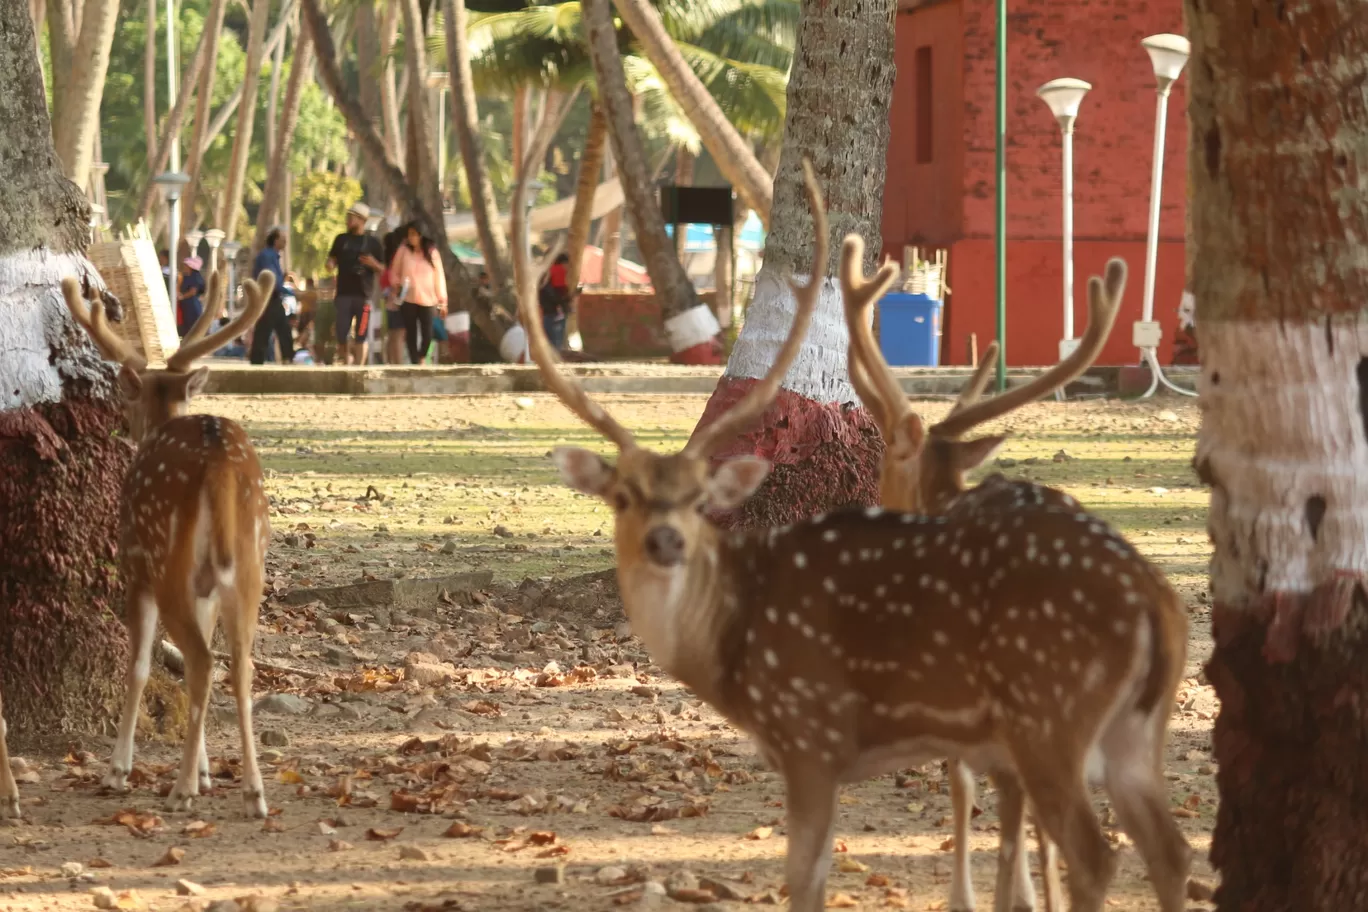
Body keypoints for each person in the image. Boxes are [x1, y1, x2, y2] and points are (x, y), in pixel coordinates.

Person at [326, 202, 385, 365]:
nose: (348, 220)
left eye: (352, 217)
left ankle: (358, 368)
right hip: (343, 294)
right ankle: (346, 363)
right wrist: (330, 264)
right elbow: (331, 259)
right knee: (341, 332)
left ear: (362, 220)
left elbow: (383, 269)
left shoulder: (373, 243)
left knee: (362, 332)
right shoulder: (341, 240)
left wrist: (373, 264)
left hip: (364, 296)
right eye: (348, 217)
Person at [388, 222, 447, 364]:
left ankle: (422, 356)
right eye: (409, 234)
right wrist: (397, 285)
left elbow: (439, 277)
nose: (411, 237)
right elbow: (394, 271)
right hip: (408, 298)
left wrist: (442, 301)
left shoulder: (432, 253)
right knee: (411, 332)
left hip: (428, 299)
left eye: (414, 234)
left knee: (428, 333)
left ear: (421, 235)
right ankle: (415, 361)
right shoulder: (403, 251)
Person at [249, 228, 296, 364]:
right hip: (268, 298)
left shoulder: (273, 256)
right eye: (283, 239)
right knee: (266, 331)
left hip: (273, 298)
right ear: (275, 240)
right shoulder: (267, 256)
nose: (285, 242)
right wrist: (290, 292)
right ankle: (258, 362)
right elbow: (271, 279)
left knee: (281, 329)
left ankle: (286, 358)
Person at [379, 225, 408, 364]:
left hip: (389, 303)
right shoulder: (395, 266)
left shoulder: (387, 267)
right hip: (397, 302)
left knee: (393, 335)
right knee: (398, 335)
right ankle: (398, 364)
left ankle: (391, 362)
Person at [538, 252, 572, 350]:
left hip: (548, 311)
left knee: (551, 338)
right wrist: (566, 299)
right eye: (567, 264)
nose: (567, 267)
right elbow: (557, 293)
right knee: (555, 340)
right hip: (554, 312)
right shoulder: (557, 271)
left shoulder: (546, 272)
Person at [176, 255, 206, 338]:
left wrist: (182, 297)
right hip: (184, 306)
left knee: (191, 327)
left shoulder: (195, 277)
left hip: (191, 306)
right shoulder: (185, 277)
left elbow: (193, 291)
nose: (184, 266)